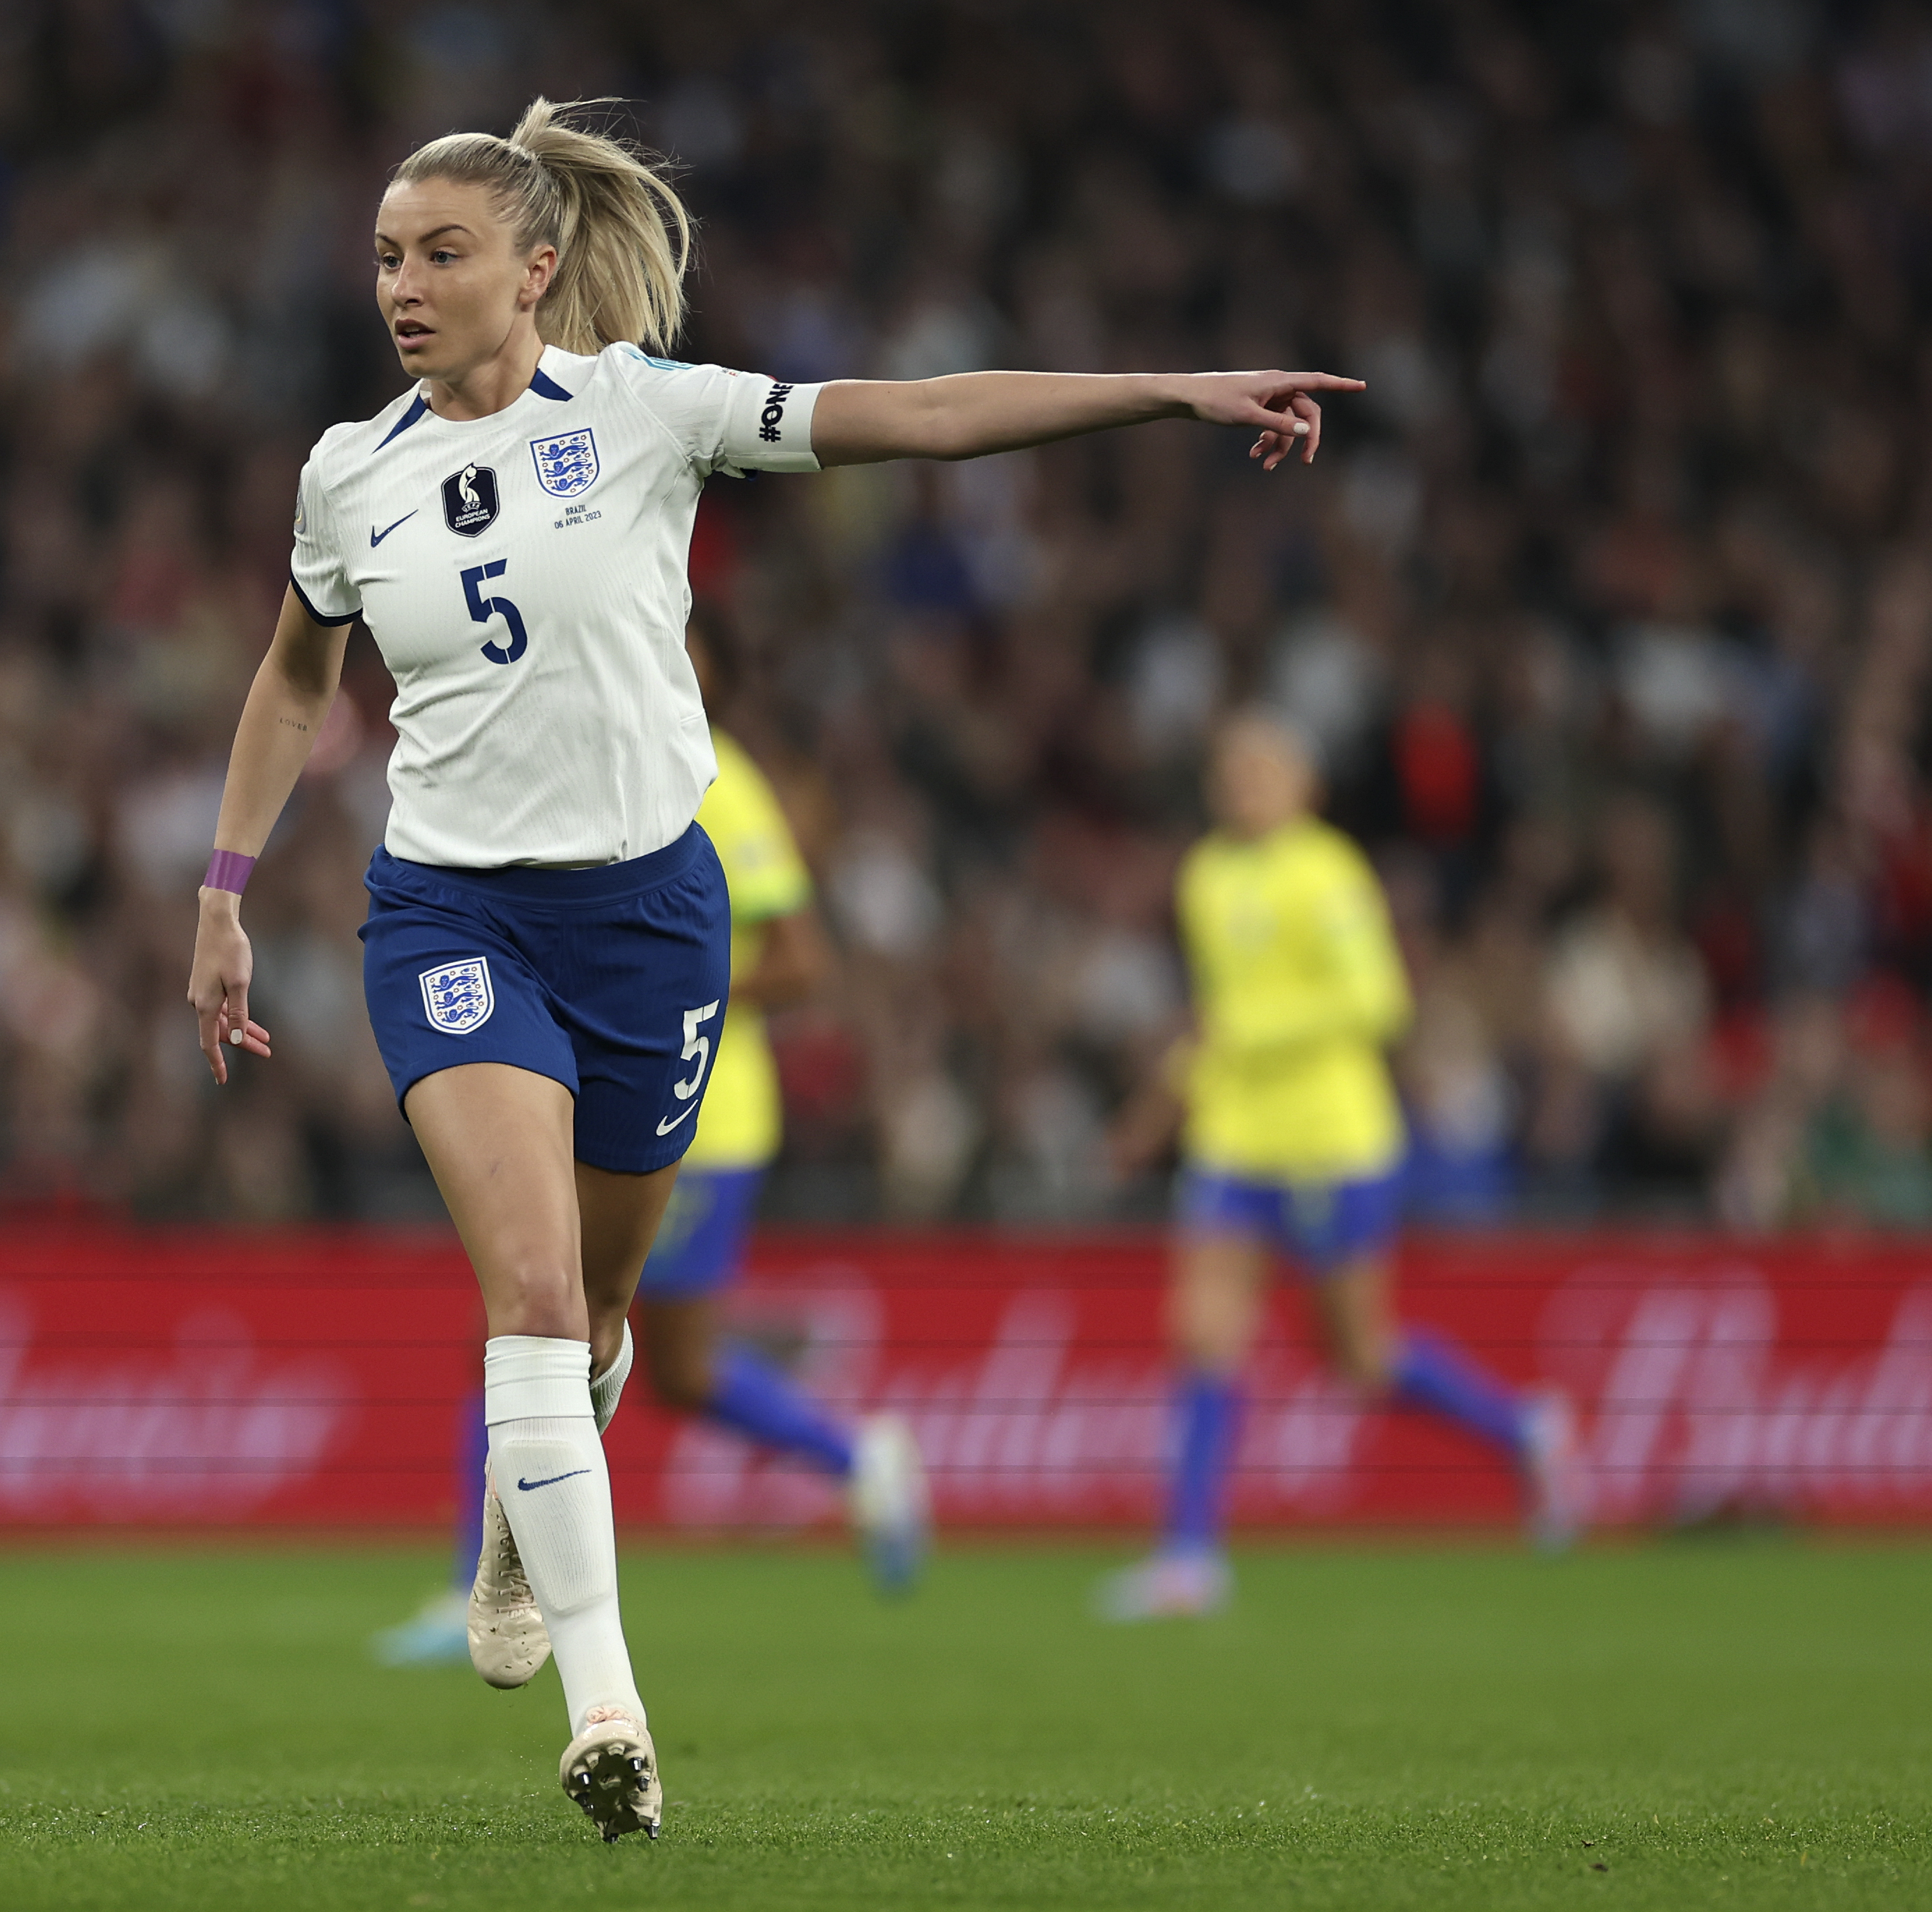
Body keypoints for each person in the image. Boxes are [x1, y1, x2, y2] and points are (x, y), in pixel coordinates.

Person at [183, 95, 1361, 1838]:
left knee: (591, 1317)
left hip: (650, 919)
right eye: (382, 258)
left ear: (538, 267)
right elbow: (293, 681)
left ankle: (529, 1503)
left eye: (439, 254)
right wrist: (221, 888)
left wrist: (1169, 392)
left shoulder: (650, 415)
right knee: (522, 1299)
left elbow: (936, 415)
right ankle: (610, 1713)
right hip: (449, 913)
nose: (401, 288)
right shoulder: (348, 472)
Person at [371, 609, 924, 1667]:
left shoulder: (720, 778)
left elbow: (803, 960)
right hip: (628, 1105)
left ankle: (475, 1589)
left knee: (532, 1328)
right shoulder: (598, 760)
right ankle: (859, 1462)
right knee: (671, 1366)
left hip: (697, 1118)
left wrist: (650, 994)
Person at [1099, 711, 1582, 1621]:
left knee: (1357, 1356)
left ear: (1303, 786)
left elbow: (1377, 1000)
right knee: (1202, 1334)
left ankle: (1524, 1431)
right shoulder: (1203, 875)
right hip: (1233, 1142)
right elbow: (1214, 1016)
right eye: (1231, 768)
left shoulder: (1326, 873)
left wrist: (1251, 1031)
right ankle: (1188, 1559)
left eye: (1263, 769)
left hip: (1330, 1141)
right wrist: (1155, 1113)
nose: (1244, 783)